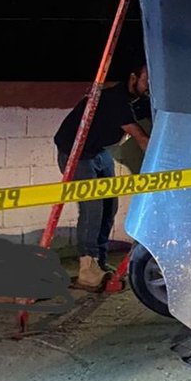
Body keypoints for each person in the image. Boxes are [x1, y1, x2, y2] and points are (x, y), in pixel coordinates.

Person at [54, 65, 150, 289]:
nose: (149, 88)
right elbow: (141, 138)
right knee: (92, 207)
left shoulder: (138, 98)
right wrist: (164, 170)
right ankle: (87, 270)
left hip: (98, 151)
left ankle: (100, 261)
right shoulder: (115, 100)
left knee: (110, 205)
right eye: (146, 81)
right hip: (75, 152)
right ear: (133, 77)